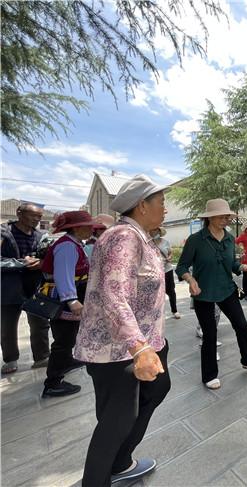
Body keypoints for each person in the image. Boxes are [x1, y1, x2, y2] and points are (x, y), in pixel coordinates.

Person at [74, 175, 170, 486]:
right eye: (161, 202)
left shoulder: (141, 237)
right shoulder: (124, 236)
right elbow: (113, 294)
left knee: (157, 388)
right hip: (118, 350)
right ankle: (99, 477)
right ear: (142, 205)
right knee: (116, 421)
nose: (166, 208)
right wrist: (138, 346)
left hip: (146, 343)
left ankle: (120, 461)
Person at [176, 198, 247, 390]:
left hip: (227, 290)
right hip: (203, 293)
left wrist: (243, 267)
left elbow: (231, 264)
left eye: (228, 216)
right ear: (210, 218)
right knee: (210, 334)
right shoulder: (195, 240)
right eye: (222, 216)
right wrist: (191, 280)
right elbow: (181, 266)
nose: (226, 219)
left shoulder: (230, 239)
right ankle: (209, 375)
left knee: (241, 325)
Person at [40, 211, 95, 397]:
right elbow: (63, 275)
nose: (92, 229)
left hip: (72, 296)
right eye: (88, 226)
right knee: (63, 340)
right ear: (77, 228)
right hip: (64, 300)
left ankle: (67, 361)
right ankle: (53, 382)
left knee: (69, 336)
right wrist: (71, 300)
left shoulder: (75, 244)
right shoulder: (67, 247)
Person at [1, 203, 51, 374]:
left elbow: (47, 257)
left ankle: (41, 357)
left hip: (34, 286)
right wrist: (22, 263)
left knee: (40, 323)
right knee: (7, 326)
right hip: (8, 288)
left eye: (40, 217)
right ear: (19, 213)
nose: (37, 219)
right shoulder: (4, 233)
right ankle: (10, 359)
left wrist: (41, 263)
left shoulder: (41, 235)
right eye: (33, 215)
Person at [151, 227, 180, 318]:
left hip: (167, 269)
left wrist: (169, 257)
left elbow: (170, 252)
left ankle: (174, 310)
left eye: (157, 230)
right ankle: (157, 313)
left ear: (160, 232)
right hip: (155, 271)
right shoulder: (148, 243)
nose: (155, 232)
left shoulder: (165, 242)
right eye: (153, 230)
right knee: (156, 292)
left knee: (171, 291)